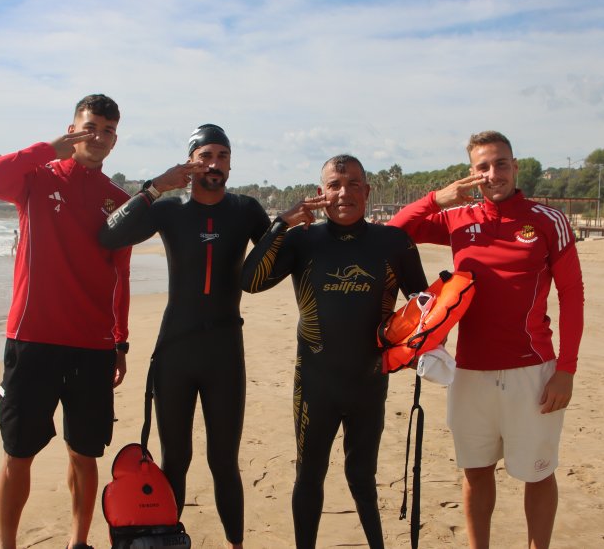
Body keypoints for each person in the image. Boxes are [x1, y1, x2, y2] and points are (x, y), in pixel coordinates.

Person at [388, 131, 584, 549]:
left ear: (515, 166)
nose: (493, 173)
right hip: (470, 373)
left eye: (500, 163)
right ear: (472, 173)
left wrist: (565, 370)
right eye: (483, 166)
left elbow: (572, 297)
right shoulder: (460, 219)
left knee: (537, 471)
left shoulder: (548, 221)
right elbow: (392, 233)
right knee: (476, 472)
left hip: (532, 370)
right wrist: (441, 198)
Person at [241, 154, 428, 549]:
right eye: (335, 185)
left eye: (354, 184)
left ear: (367, 190)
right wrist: (280, 225)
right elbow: (250, 280)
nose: (344, 193)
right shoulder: (302, 241)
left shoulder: (392, 243)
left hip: (369, 382)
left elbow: (423, 305)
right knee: (309, 476)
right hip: (315, 384)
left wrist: (422, 350)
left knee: (363, 477)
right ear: (321, 193)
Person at [98, 124, 269, 549]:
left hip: (225, 352)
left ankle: (235, 544)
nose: (214, 165)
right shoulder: (169, 210)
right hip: (175, 350)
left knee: (223, 461)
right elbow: (110, 234)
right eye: (206, 156)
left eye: (223, 156)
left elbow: (275, 262)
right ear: (191, 161)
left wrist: (288, 226)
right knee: (176, 459)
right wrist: (156, 186)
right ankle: (164, 542)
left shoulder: (246, 210)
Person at [0, 94, 132, 549]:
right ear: (72, 128)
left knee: (84, 453)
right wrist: (51, 147)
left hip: (91, 346)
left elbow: (120, 275)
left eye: (105, 131)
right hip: (32, 340)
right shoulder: (36, 181)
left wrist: (120, 342)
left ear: (115, 139)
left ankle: (77, 541)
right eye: (88, 127)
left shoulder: (116, 202)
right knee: (17, 453)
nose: (96, 137)